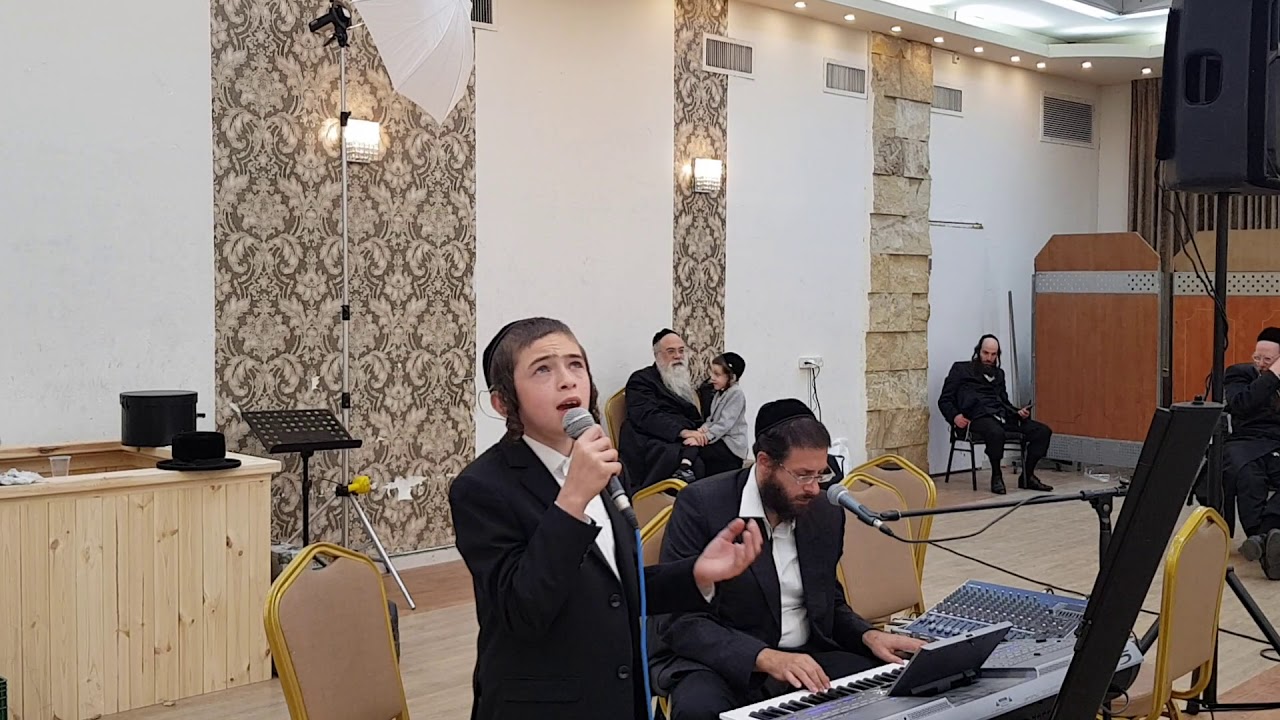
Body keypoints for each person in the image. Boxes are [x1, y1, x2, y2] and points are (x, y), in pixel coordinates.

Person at [449, 318, 766, 720]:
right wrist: (572, 500)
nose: (567, 380)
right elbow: (522, 610)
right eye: (542, 369)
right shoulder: (481, 488)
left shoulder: (606, 468)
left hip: (619, 697)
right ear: (503, 402)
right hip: (543, 706)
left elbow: (612, 590)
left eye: (576, 364)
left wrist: (696, 575)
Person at [649, 399, 927, 720]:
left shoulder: (823, 511)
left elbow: (829, 602)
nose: (814, 488)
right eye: (803, 475)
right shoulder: (702, 505)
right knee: (700, 709)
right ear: (765, 463)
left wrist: (868, 635)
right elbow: (681, 621)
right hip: (722, 661)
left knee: (894, 687)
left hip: (807, 656)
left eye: (821, 474)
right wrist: (765, 657)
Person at [620, 329, 741, 487]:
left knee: (727, 455)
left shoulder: (678, 381)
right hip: (658, 438)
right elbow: (647, 415)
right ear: (657, 355)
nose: (678, 356)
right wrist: (682, 432)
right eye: (671, 351)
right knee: (696, 461)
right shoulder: (641, 380)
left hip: (687, 433)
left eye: (681, 351)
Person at [938, 334, 1053, 495]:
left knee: (1042, 431)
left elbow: (1004, 402)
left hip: (1001, 416)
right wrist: (955, 416)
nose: (989, 358)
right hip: (975, 418)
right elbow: (944, 400)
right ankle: (996, 476)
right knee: (995, 432)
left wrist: (1018, 412)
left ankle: (1027, 476)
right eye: (986, 353)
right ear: (978, 351)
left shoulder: (999, 374)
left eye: (993, 354)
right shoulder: (961, 370)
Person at [1225, 327, 1280, 580]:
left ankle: (1263, 537)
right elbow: (1241, 404)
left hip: (1277, 442)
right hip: (1246, 441)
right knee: (1248, 475)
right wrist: (1272, 375)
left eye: (1267, 359)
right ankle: (1265, 540)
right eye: (1257, 357)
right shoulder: (1239, 374)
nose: (1260, 363)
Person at [696, 352, 750, 474]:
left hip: (731, 445)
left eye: (717, 374)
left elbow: (724, 424)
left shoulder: (736, 393)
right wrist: (703, 429)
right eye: (712, 373)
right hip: (720, 439)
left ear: (732, 378)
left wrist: (705, 437)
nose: (712, 378)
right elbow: (712, 419)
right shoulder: (719, 393)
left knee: (701, 451)